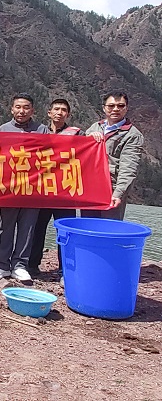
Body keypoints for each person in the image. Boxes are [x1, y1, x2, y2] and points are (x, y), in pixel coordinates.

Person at [0, 93, 49, 282]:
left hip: (32, 189)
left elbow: (52, 154)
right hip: (9, 189)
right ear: (12, 109)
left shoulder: (42, 130)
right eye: (18, 107)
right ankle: (1, 264)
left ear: (32, 110)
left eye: (26, 107)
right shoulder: (3, 129)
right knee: (5, 228)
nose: (22, 111)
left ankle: (20, 265)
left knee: (27, 229)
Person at [28, 98, 83, 279]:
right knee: (37, 229)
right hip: (42, 191)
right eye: (56, 109)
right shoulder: (39, 132)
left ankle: (65, 269)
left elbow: (88, 152)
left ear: (68, 114)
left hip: (64, 191)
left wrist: (96, 138)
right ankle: (32, 265)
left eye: (63, 110)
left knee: (65, 231)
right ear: (49, 113)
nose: (59, 113)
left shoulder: (77, 134)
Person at [83, 92, 143, 220]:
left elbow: (128, 168)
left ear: (126, 108)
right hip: (90, 187)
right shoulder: (95, 127)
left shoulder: (132, 135)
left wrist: (118, 194)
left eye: (120, 106)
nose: (115, 109)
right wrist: (88, 137)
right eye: (111, 106)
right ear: (104, 108)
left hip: (111, 189)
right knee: (87, 226)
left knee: (109, 228)